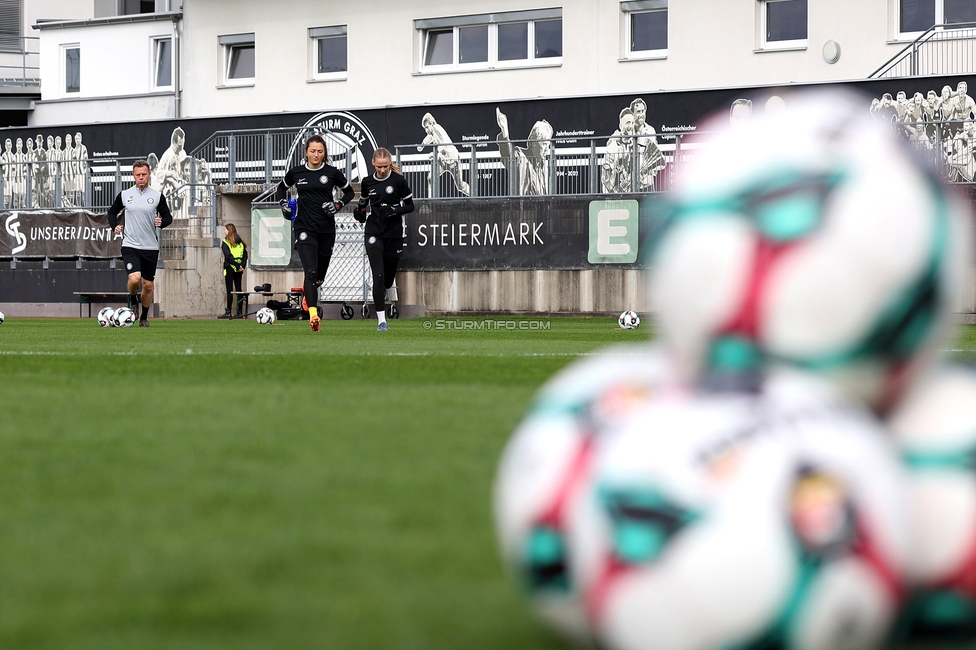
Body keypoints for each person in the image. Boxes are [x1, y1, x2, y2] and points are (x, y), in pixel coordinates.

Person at [273, 134, 354, 332]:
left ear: (324, 153)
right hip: (304, 228)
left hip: (326, 229)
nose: (316, 154)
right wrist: (283, 204)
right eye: (312, 151)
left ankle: (314, 287)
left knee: (318, 276)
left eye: (320, 151)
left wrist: (337, 204)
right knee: (309, 271)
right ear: (306, 152)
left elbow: (350, 192)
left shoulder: (332, 173)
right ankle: (313, 315)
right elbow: (281, 189)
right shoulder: (296, 172)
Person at [106, 159, 173, 327]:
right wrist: (115, 226)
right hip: (130, 245)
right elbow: (112, 212)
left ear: (149, 175)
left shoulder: (157, 196)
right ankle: (133, 299)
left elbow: (168, 217)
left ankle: (143, 317)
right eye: (138, 175)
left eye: (144, 174)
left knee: (148, 285)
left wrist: (161, 222)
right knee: (135, 279)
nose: (141, 177)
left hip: (150, 247)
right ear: (133, 176)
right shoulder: (125, 195)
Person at [354, 148, 414, 332]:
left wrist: (395, 210)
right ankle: (382, 321)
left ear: (390, 164)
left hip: (394, 234)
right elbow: (362, 205)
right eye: (379, 167)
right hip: (374, 232)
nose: (382, 170)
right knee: (378, 276)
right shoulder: (367, 182)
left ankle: (385, 289)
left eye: (385, 166)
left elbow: (411, 206)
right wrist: (359, 213)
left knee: (387, 280)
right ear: (373, 164)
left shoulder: (398, 181)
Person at [496, 107, 553, 195]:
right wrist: (505, 131)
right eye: (544, 144)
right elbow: (508, 155)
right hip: (525, 206)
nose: (547, 149)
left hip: (540, 207)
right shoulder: (521, 156)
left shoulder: (541, 166)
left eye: (548, 145)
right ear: (534, 143)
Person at [219, 223, 248, 319]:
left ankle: (228, 311)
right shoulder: (240, 242)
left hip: (230, 268)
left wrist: (236, 265)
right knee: (238, 289)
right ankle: (239, 312)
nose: (224, 231)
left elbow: (228, 256)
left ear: (229, 230)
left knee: (229, 290)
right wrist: (241, 266)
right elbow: (245, 256)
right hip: (239, 269)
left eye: (225, 230)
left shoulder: (225, 242)